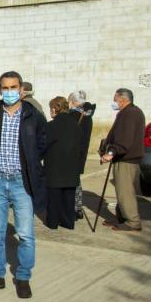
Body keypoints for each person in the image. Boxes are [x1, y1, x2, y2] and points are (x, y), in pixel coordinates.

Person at [0, 71, 46, 299]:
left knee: (25, 234)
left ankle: (23, 277)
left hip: (21, 182)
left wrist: (32, 165)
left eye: (13, 87)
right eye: (5, 88)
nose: (9, 92)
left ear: (22, 89)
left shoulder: (33, 115)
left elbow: (42, 144)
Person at [101, 88, 146, 232]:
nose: (114, 102)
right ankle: (122, 217)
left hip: (126, 159)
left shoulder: (130, 114)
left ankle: (133, 221)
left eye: (115, 99)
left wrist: (112, 152)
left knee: (125, 191)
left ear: (123, 99)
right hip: (126, 158)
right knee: (122, 190)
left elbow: (125, 139)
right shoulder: (129, 112)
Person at [44, 96, 82, 230]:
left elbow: (44, 145)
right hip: (71, 167)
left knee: (53, 198)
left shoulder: (51, 126)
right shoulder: (76, 125)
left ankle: (53, 222)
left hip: (54, 167)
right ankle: (68, 222)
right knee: (69, 197)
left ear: (55, 109)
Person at [67, 91, 95, 219]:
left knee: (69, 182)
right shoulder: (87, 115)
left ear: (72, 101)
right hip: (80, 153)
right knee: (76, 181)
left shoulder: (74, 115)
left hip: (71, 153)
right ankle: (77, 207)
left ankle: (71, 207)